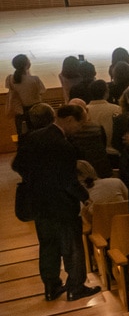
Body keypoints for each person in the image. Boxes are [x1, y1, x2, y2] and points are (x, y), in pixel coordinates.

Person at [14, 104, 99, 302]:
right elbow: (68, 181)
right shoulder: (64, 146)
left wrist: (37, 180)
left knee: (48, 245)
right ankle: (76, 287)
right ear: (69, 120)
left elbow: (18, 165)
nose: (80, 128)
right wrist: (85, 197)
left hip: (38, 201)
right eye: (80, 123)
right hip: (62, 203)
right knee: (72, 246)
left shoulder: (32, 137)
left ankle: (51, 287)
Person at [6, 54, 45, 139]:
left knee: (23, 136)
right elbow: (41, 91)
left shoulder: (10, 79)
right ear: (27, 65)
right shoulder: (34, 79)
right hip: (35, 111)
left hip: (20, 112)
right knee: (38, 135)